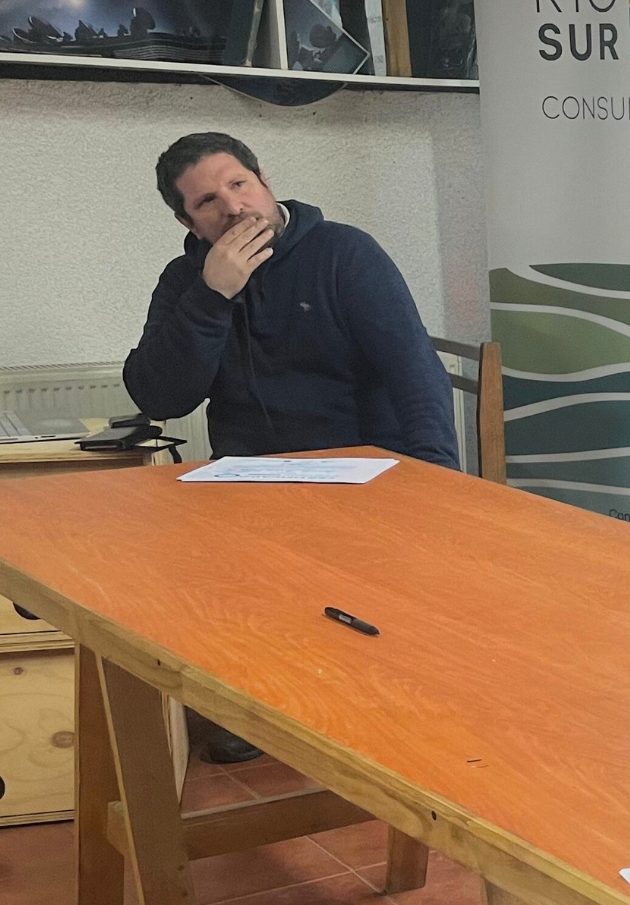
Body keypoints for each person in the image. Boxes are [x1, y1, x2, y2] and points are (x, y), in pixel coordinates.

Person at [125, 133, 458, 764]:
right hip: (250, 483)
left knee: (366, 595)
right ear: (188, 223)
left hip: (363, 475)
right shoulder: (186, 279)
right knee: (195, 564)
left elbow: (415, 373)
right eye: (207, 201)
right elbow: (160, 396)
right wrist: (212, 296)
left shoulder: (344, 253)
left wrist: (440, 487)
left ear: (265, 183)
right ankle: (261, 705)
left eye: (239, 184)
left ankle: (372, 703)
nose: (232, 207)